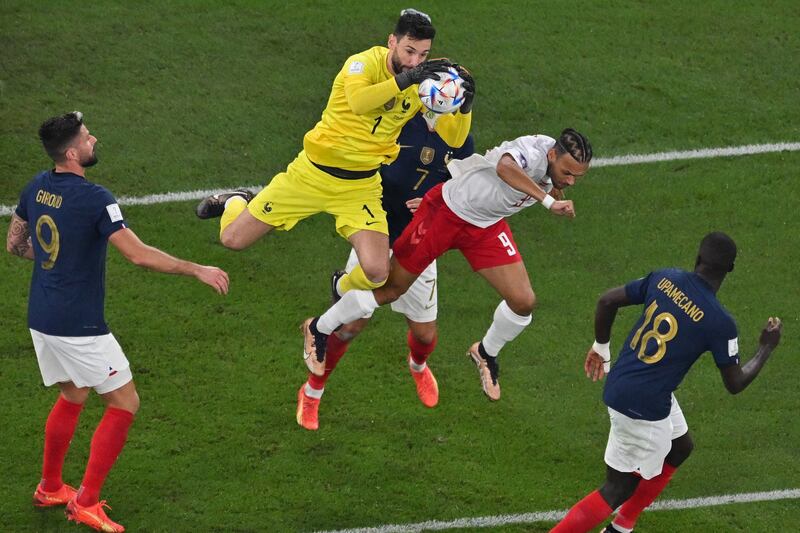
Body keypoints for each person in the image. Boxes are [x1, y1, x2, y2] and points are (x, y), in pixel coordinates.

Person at [7, 111, 230, 533]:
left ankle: (50, 486)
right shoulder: (96, 199)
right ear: (72, 153)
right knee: (125, 402)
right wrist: (196, 268)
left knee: (74, 394)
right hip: (79, 324)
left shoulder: (36, 187)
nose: (95, 140)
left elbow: (16, 244)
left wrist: (61, 260)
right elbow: (139, 254)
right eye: (88, 138)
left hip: (42, 315)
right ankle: (86, 503)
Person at [196, 9, 473, 298]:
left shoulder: (422, 84)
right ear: (392, 41)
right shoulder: (362, 64)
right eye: (409, 51)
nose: (415, 62)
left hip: (360, 187)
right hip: (311, 175)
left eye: (423, 55)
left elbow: (453, 138)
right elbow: (359, 102)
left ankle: (340, 285)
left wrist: (465, 108)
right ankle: (236, 201)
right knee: (232, 239)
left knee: (378, 273)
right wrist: (406, 80)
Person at [301, 128, 592, 401]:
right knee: (390, 289)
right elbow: (505, 167)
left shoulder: (554, 172)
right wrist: (547, 201)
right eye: (567, 173)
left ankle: (486, 353)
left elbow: (547, 182)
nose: (570, 181)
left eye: (577, 177)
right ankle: (319, 327)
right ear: (552, 155)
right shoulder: (532, 148)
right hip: (444, 214)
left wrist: (554, 189)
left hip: (486, 227)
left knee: (523, 301)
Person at [551, 232, 783, 533]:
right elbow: (735, 383)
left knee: (680, 447)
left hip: (626, 381)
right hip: (643, 407)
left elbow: (607, 300)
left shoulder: (666, 279)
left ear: (698, 258)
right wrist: (766, 348)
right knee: (617, 488)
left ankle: (621, 527)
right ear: (730, 269)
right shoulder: (720, 322)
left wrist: (601, 348)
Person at [296, 112, 475, 430]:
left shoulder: (460, 137)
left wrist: (434, 202)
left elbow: (466, 188)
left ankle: (417, 366)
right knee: (349, 326)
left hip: (419, 247)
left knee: (425, 334)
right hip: (376, 236)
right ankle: (312, 391)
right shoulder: (398, 123)